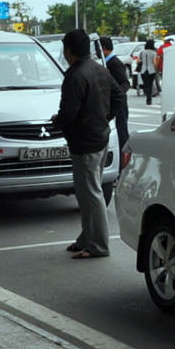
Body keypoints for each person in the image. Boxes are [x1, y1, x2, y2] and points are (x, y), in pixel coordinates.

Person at [53, 28, 112, 259]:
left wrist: (59, 123)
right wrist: (103, 119)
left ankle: (98, 245)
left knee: (91, 193)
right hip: (99, 136)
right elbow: (118, 97)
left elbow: (69, 112)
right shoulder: (99, 69)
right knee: (86, 192)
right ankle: (87, 238)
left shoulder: (75, 75)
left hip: (85, 141)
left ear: (68, 51)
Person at [99, 36, 130, 160]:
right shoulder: (106, 62)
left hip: (119, 103)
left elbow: (125, 83)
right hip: (112, 102)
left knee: (122, 130)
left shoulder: (114, 63)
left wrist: (117, 95)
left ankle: (125, 157)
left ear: (105, 49)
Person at [139, 38, 158, 106]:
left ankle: (148, 98)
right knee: (150, 84)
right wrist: (156, 69)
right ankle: (149, 99)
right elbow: (155, 63)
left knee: (146, 85)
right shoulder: (154, 53)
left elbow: (138, 61)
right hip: (151, 70)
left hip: (143, 70)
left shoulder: (142, 52)